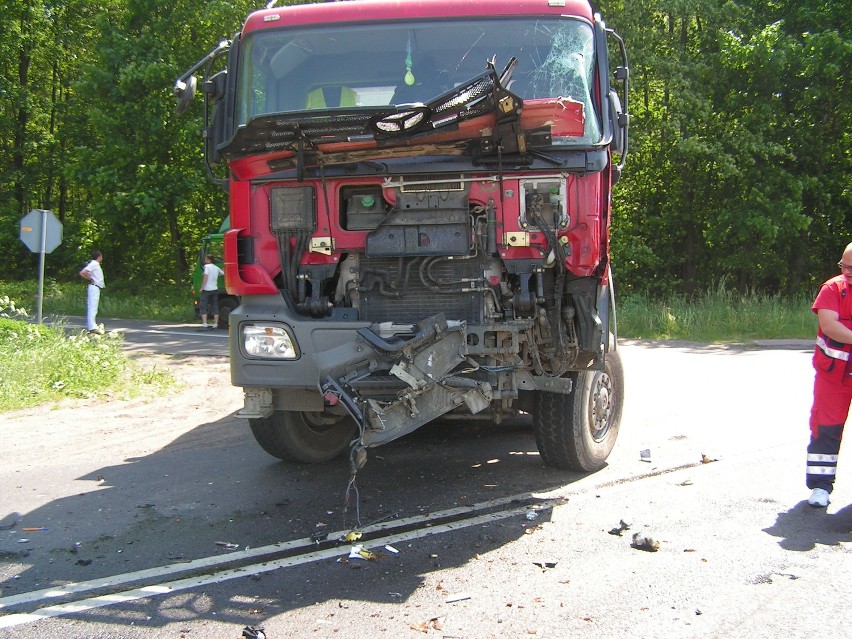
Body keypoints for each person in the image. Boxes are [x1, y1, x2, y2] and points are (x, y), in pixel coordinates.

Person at [805, 242, 852, 507]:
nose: (845, 271)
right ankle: (820, 487)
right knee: (826, 430)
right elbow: (829, 325)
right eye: (843, 265)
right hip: (834, 377)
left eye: (851, 268)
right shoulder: (833, 288)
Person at [79, 250, 105, 334]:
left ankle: (93, 325)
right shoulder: (94, 264)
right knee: (92, 307)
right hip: (94, 287)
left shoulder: (95, 264)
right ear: (99, 257)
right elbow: (83, 272)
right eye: (101, 256)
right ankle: (92, 327)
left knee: (94, 307)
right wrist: (90, 279)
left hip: (96, 287)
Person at [198, 254, 224, 330]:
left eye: (206, 259)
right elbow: (223, 274)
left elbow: (205, 277)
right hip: (215, 290)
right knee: (215, 306)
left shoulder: (206, 267)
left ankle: (205, 325)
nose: (205, 261)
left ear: (209, 260)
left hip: (206, 290)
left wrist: (202, 288)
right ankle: (215, 325)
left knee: (203, 306)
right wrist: (224, 268)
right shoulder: (216, 268)